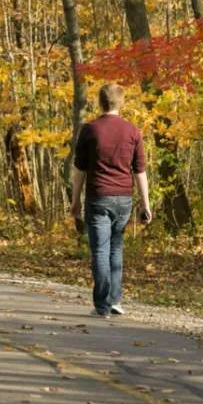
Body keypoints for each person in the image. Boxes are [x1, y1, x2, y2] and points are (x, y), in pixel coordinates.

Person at [70, 83, 151, 319]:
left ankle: (103, 305)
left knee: (100, 251)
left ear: (100, 102)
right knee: (116, 248)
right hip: (124, 199)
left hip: (98, 198)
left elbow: (80, 171)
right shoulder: (133, 132)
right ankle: (114, 300)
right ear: (121, 102)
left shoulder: (90, 130)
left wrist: (75, 201)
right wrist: (145, 204)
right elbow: (140, 171)